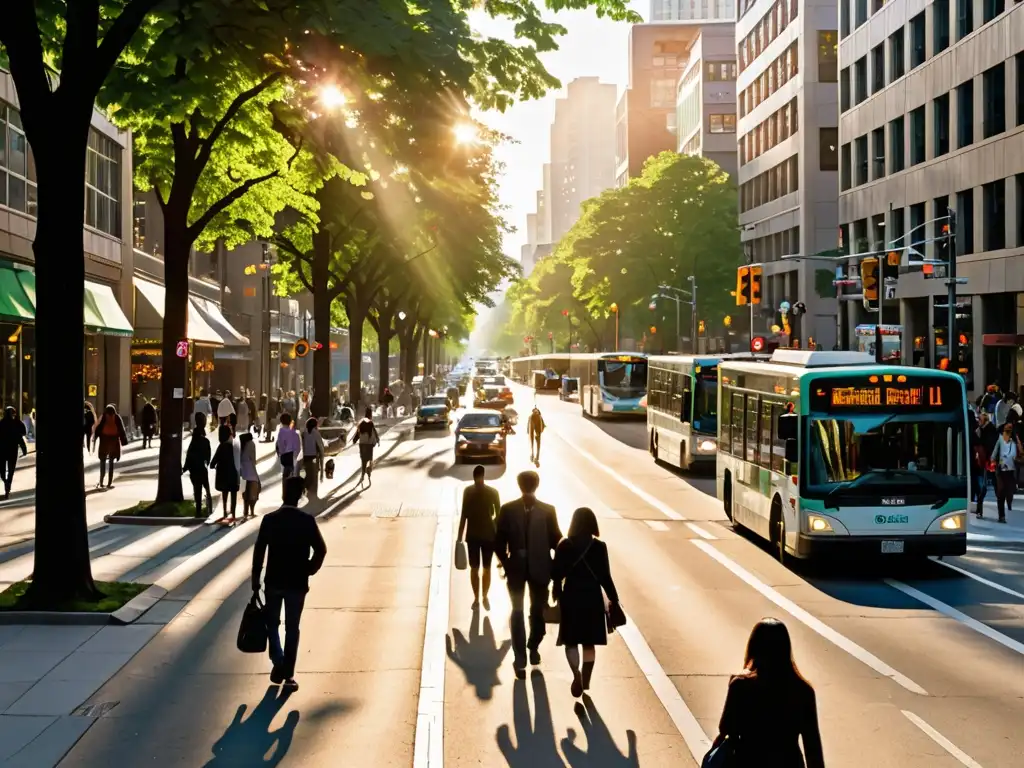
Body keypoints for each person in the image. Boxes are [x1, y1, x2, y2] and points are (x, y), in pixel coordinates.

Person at [711, 618, 824, 768]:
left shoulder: (741, 684)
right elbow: (813, 748)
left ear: (754, 647)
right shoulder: (803, 690)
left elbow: (726, 728)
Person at [251, 476, 328, 692]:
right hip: (297, 583)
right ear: (301, 496)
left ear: (283, 494)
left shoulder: (270, 520)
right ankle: (289, 674)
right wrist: (308, 570)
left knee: (272, 623)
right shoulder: (306, 521)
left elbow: (259, 551)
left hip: (274, 581)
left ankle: (278, 660)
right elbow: (321, 550)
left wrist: (255, 581)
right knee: (292, 628)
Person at [493, 470, 562, 678]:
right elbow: (557, 540)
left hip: (526, 567)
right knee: (526, 610)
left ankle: (528, 649)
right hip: (532, 567)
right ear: (537, 484)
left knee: (525, 611)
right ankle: (524, 653)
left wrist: (505, 561)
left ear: (519, 484)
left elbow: (498, 542)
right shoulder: (546, 511)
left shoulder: (509, 510)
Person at [552, 507, 621, 698]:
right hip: (592, 597)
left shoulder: (564, 545)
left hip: (571, 597)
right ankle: (586, 679)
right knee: (589, 643)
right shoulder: (599, 547)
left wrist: (556, 589)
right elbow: (605, 577)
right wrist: (614, 599)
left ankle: (576, 675)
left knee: (571, 641)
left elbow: (555, 573)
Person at [458, 465, 500, 609]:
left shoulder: (468, 492)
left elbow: (464, 515)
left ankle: (477, 598)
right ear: (483, 475)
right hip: (488, 536)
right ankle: (484, 596)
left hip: (473, 536)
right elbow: (498, 516)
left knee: (475, 568)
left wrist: (459, 537)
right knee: (486, 568)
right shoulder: (493, 492)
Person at [182, 412, 213, 517]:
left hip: (194, 470)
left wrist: (185, 468)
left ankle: (198, 511)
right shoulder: (205, 441)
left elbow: (189, 456)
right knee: (207, 488)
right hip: (202, 469)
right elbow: (208, 455)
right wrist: (206, 463)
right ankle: (209, 508)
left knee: (197, 490)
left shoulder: (194, 441)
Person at [990, 422, 1019, 523]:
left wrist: (1017, 439)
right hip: (1001, 470)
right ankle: (1001, 516)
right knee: (1001, 492)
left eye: (1011, 427)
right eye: (1008, 426)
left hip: (1011, 471)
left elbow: (1021, 453)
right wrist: (993, 462)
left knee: (1009, 491)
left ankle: (1009, 501)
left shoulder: (1014, 441)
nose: (1009, 427)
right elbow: (993, 454)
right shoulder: (1000, 439)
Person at [210, 424, 240, 520]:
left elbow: (213, 462)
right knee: (233, 493)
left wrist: (213, 465)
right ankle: (233, 513)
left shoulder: (221, 447)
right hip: (233, 473)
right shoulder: (234, 445)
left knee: (225, 493)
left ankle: (224, 511)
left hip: (223, 475)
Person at [94, 403, 128, 489]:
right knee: (111, 461)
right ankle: (109, 482)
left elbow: (99, 428)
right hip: (114, 441)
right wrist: (124, 441)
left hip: (104, 441)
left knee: (102, 460)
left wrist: (95, 437)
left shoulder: (104, 417)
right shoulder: (117, 417)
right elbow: (121, 429)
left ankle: (101, 481)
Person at [0, 406, 28, 499]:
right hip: (12, 450)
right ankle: (8, 486)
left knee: (2, 471)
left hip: (2, 451)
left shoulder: (2, 423)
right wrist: (24, 450)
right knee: (11, 471)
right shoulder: (17, 423)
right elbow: (22, 435)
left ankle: (6, 482)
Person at [976, 411, 999, 518]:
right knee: (995, 487)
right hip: (991, 461)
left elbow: (985, 445)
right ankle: (1001, 515)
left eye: (979, 420)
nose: (978, 422)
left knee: (984, 487)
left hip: (988, 461)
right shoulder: (989, 430)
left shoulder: (986, 431)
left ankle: (979, 511)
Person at [353, 407, 380, 486]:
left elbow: (357, 433)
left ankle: (362, 475)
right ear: (370, 414)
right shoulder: (370, 423)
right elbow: (374, 432)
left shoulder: (361, 422)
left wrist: (354, 440)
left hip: (362, 444)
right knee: (370, 459)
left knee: (363, 460)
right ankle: (369, 470)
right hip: (369, 444)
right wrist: (377, 441)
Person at [301, 417, 325, 498]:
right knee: (314, 474)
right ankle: (313, 491)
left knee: (307, 473)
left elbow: (302, 445)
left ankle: (306, 487)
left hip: (306, 457)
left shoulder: (304, 433)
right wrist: (322, 454)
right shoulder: (316, 433)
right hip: (314, 456)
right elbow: (320, 445)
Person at [239, 432, 260, 519]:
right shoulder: (251, 444)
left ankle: (246, 512)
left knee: (246, 494)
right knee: (255, 493)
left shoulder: (242, 446)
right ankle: (252, 512)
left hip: (243, 473)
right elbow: (253, 459)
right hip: (251, 472)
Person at [276, 413, 301, 487]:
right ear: (290, 421)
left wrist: (280, 454)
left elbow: (280, 446)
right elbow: (298, 448)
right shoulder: (295, 434)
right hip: (294, 457)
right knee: (294, 475)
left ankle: (285, 492)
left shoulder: (281, 432)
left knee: (285, 475)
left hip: (285, 457)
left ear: (281, 422)